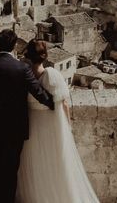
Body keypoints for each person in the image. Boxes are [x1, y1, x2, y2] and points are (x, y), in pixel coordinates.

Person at [0, 29, 54, 203]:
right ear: (15, 45)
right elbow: (38, 92)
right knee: (10, 168)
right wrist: (55, 103)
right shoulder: (22, 68)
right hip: (14, 127)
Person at [17, 39, 99, 203]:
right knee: (56, 165)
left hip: (32, 125)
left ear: (28, 56)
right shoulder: (52, 75)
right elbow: (64, 104)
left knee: (36, 165)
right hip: (51, 126)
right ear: (45, 56)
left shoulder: (24, 76)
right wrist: (67, 126)